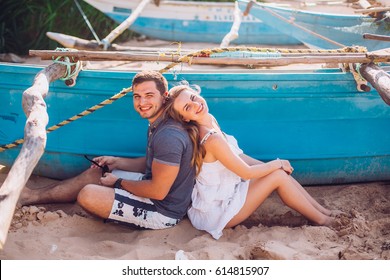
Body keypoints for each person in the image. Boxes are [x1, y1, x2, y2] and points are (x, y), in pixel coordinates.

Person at [20, 71, 196, 230]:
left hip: (163, 211)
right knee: (95, 174)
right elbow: (152, 164)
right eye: (137, 96)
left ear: (164, 97)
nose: (142, 102)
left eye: (149, 95)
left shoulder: (169, 135)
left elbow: (157, 191)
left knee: (89, 195)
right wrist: (117, 162)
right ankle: (31, 196)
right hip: (153, 189)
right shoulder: (158, 123)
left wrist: (118, 182)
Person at [164, 84, 340, 239]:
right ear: (185, 119)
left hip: (229, 193)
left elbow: (238, 156)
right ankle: (323, 220)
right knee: (277, 174)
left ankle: (324, 212)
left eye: (194, 98)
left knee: (277, 171)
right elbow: (246, 173)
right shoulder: (210, 139)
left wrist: (272, 165)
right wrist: (277, 164)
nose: (196, 104)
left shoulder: (209, 120)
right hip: (217, 212)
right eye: (188, 107)